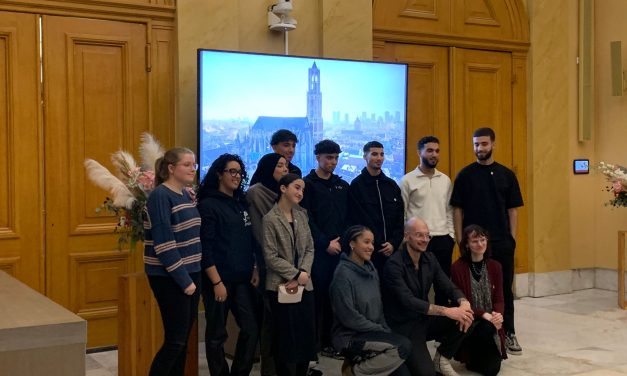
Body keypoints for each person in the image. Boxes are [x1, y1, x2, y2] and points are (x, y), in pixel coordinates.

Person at [450, 127, 524, 355]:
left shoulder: (506, 175)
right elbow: (457, 210)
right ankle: (468, 331)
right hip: (472, 243)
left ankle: (508, 331)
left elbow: (513, 210)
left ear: (493, 144)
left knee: (504, 288)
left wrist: (512, 238)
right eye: (475, 144)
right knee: (470, 289)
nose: (479, 148)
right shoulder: (465, 175)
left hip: (501, 242)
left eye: (483, 144)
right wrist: (461, 239)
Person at [382, 218, 474, 376]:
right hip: (404, 326)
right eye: (419, 235)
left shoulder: (429, 258)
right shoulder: (394, 264)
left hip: (424, 319)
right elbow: (408, 301)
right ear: (406, 236)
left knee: (467, 317)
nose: (425, 240)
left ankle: (441, 359)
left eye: (427, 235)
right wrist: (445, 310)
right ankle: (402, 355)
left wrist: (463, 302)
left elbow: (447, 285)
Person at [197, 154, 259, 376]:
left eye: (239, 172)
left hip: (242, 279)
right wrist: (216, 281)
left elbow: (247, 239)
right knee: (216, 335)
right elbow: (206, 247)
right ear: (218, 174)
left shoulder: (241, 202)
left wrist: (253, 266)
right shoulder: (208, 205)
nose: (236, 176)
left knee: (251, 330)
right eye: (231, 171)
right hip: (218, 280)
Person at [144, 147, 202, 376]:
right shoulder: (160, 196)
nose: (192, 169)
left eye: (194, 165)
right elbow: (164, 244)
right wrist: (184, 281)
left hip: (192, 272)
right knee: (175, 342)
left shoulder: (186, 195)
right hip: (170, 277)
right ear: (171, 168)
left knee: (183, 342)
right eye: (186, 164)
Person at [330, 225, 411, 376]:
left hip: (372, 333)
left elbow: (378, 309)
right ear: (352, 244)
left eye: (372, 243)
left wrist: (386, 331)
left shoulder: (372, 270)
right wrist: (380, 331)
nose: (371, 247)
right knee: (403, 347)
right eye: (366, 242)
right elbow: (349, 318)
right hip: (350, 337)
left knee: (403, 372)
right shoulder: (342, 274)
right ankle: (354, 372)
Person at [262, 173, 316, 376]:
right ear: (283, 189)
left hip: (305, 284)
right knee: (285, 338)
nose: (300, 192)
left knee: (304, 337)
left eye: (302, 189)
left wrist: (303, 273)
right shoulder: (270, 218)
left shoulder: (302, 215)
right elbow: (270, 256)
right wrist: (295, 274)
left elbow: (310, 248)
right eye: (296, 187)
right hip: (279, 286)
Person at [300, 140, 349, 358]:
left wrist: (343, 242)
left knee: (336, 299)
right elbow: (305, 218)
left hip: (341, 251)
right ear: (317, 157)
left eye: (336, 158)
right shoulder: (307, 184)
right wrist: (325, 243)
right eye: (329, 157)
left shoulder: (342, 185)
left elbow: (349, 217)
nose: (333, 162)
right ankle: (314, 344)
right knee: (316, 300)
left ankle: (332, 342)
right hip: (317, 253)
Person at [247, 152, 289, 376]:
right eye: (280, 165)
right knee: (269, 320)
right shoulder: (255, 193)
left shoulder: (285, 194)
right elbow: (257, 232)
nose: (285, 169)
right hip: (267, 264)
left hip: (289, 265)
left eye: (286, 166)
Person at [400, 136, 455, 306]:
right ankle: (420, 327)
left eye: (437, 151)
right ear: (419, 152)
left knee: (443, 287)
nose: (434, 154)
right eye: (430, 150)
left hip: (443, 239)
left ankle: (442, 326)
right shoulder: (407, 180)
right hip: (417, 241)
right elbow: (402, 213)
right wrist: (406, 238)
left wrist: (451, 236)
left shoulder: (445, 180)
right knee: (417, 286)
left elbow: (449, 210)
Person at [450, 225, 507, 375]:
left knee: (493, 370)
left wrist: (498, 315)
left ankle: (480, 357)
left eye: (483, 240)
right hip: (469, 322)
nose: (480, 244)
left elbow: (500, 299)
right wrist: (484, 314)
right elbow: (461, 302)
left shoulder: (496, 266)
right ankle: (471, 355)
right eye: (475, 241)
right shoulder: (458, 268)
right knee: (486, 328)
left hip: (490, 323)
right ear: (467, 245)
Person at [348, 141, 404, 273]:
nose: (379, 158)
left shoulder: (391, 185)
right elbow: (356, 219)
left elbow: (400, 217)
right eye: (374, 154)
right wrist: (377, 243)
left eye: (382, 154)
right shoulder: (356, 186)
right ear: (365, 157)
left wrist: (393, 243)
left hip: (392, 252)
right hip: (368, 252)